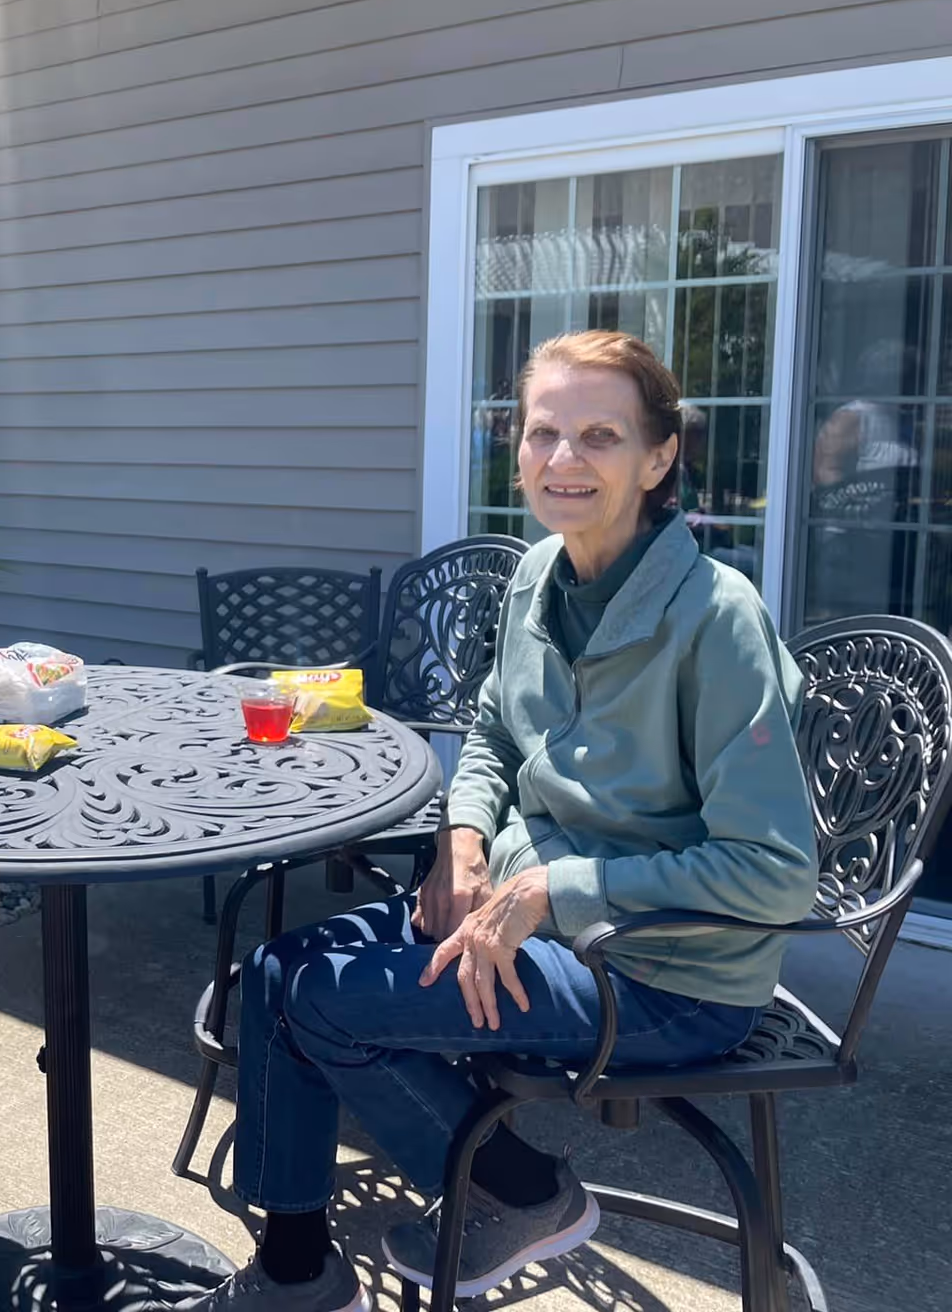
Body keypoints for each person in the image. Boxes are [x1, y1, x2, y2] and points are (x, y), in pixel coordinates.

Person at [194, 330, 817, 1312]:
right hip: (534, 922)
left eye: (600, 436)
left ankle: (523, 1189)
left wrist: (550, 889)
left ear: (659, 459)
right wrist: (465, 838)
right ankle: (297, 1269)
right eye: (544, 434)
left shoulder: (717, 618)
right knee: (278, 973)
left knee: (321, 1000)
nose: (564, 461)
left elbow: (774, 873)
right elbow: (492, 728)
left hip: (663, 976)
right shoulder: (538, 576)